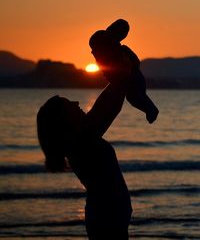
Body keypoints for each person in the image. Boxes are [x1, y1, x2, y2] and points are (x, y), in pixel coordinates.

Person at [37, 64, 132, 239]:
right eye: (68, 104)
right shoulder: (80, 141)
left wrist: (120, 77)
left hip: (109, 217)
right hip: (106, 219)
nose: (76, 102)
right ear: (63, 120)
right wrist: (121, 74)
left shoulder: (81, 138)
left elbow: (107, 105)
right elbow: (109, 107)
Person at [89, 19, 159, 124]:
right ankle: (151, 109)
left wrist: (128, 66)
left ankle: (151, 110)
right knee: (134, 97)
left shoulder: (121, 51)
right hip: (126, 80)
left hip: (134, 78)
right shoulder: (108, 49)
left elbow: (135, 62)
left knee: (135, 97)